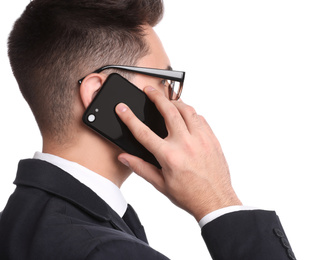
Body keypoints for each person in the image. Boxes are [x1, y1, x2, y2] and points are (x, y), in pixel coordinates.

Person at [0, 0, 296, 259]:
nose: (175, 101)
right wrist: (218, 201)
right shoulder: (107, 251)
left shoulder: (15, 223)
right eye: (163, 81)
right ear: (98, 96)